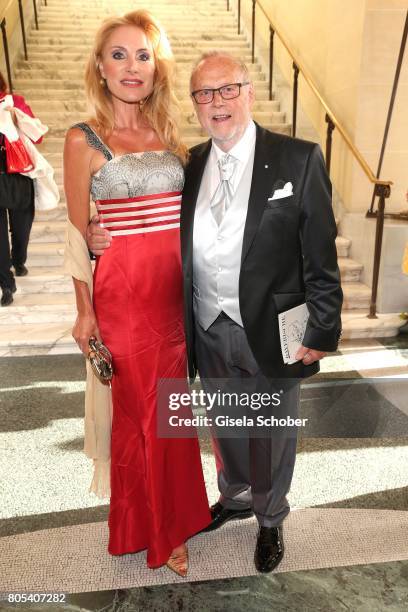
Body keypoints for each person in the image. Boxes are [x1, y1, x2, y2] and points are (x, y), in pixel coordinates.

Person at [88, 51, 343, 574]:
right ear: (194, 105)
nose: (216, 102)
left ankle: (270, 518)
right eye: (204, 94)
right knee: (226, 421)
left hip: (272, 327)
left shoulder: (299, 158)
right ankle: (234, 497)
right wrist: (95, 236)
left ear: (249, 92)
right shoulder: (191, 163)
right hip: (205, 323)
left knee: (270, 428)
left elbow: (320, 253)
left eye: (227, 89)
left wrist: (323, 327)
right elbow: (152, 225)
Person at [63, 10, 210, 577]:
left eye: (143, 56)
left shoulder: (170, 136)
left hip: (175, 297)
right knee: (141, 415)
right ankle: (156, 529)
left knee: (169, 414)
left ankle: (167, 516)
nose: (131, 66)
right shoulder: (83, 139)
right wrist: (83, 312)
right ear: (100, 68)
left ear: (157, 68)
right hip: (123, 297)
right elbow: (79, 235)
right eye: (119, 55)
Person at [0, 71, 42, 307]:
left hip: (18, 174)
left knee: (21, 227)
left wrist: (17, 118)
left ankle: (19, 260)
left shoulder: (14, 102)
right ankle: (7, 283)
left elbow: (38, 137)